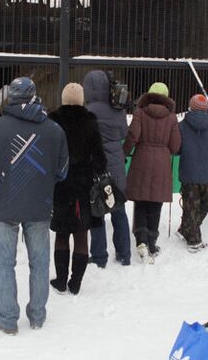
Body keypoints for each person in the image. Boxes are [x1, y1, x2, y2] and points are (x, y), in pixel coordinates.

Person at [0, 77, 69, 335]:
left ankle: (8, 319)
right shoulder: (54, 130)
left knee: (4, 263)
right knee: (40, 261)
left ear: (10, 97)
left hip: (3, 206)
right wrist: (43, 186)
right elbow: (62, 170)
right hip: (40, 205)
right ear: (34, 96)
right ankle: (37, 316)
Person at [48, 83, 108, 295]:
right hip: (84, 186)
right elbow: (100, 158)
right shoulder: (90, 121)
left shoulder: (53, 120)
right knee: (82, 234)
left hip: (60, 184)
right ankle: (76, 283)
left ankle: (61, 281)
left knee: (62, 233)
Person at [123, 82, 181, 264]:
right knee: (155, 203)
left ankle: (141, 240)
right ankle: (152, 243)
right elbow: (175, 145)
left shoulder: (140, 113)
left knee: (141, 201)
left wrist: (123, 152)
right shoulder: (171, 118)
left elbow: (133, 135)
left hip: (141, 159)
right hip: (162, 162)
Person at [83, 70, 132, 268]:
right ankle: (124, 254)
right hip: (117, 164)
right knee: (118, 210)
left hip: (97, 166)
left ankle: (99, 256)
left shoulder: (87, 111)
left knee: (98, 211)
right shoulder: (118, 109)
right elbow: (123, 133)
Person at [177, 94, 208, 252]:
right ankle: (192, 237)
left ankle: (189, 233)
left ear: (190, 107)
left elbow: (177, 149)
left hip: (189, 171)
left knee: (190, 206)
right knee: (205, 204)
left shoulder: (181, 126)